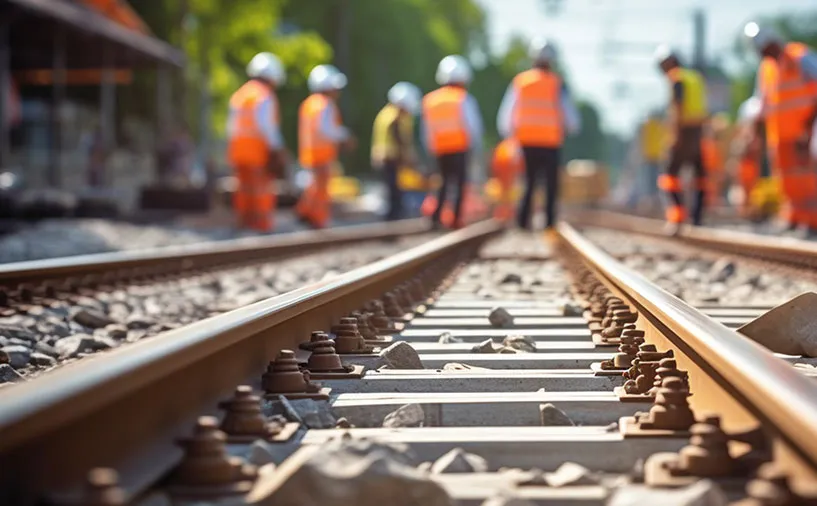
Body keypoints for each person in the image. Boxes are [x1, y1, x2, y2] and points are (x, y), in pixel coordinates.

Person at [497, 38, 581, 230]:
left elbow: (508, 112)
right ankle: (549, 222)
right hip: (550, 142)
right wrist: (572, 128)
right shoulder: (556, 83)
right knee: (551, 184)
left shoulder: (521, 82)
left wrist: (509, 135)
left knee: (529, 182)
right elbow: (569, 114)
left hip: (527, 141)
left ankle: (522, 221)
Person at [744, 22, 817, 233]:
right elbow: (762, 104)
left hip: (804, 131)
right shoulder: (766, 69)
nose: (764, 54)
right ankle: (794, 218)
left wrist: (808, 129)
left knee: (806, 176)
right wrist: (753, 135)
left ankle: (812, 221)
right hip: (779, 135)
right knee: (786, 178)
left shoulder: (799, 57)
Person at [226, 52, 288, 232]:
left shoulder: (241, 94)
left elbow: (231, 126)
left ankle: (243, 223)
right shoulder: (264, 95)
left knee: (243, 189)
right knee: (260, 189)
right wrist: (277, 149)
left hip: (238, 150)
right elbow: (267, 126)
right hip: (256, 151)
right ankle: (261, 225)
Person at [421, 55, 484, 229]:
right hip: (459, 148)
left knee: (442, 184)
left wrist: (431, 149)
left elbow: (426, 130)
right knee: (459, 184)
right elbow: (473, 127)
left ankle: (435, 218)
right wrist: (476, 149)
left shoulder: (430, 100)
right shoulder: (463, 98)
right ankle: (455, 219)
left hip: (440, 149)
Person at [654, 45, 709, 233]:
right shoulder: (695, 78)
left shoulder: (676, 79)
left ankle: (677, 217)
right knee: (700, 175)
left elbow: (678, 106)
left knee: (669, 175)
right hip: (698, 131)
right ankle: (697, 218)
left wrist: (675, 135)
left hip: (683, 131)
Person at [296, 64, 355, 229]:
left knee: (314, 187)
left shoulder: (308, 104)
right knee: (320, 189)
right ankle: (316, 219)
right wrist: (345, 136)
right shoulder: (324, 104)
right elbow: (326, 129)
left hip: (309, 153)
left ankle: (307, 214)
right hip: (322, 154)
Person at [371, 82, 422, 221]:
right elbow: (400, 140)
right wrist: (408, 157)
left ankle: (393, 219)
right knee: (394, 193)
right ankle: (392, 221)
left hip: (385, 158)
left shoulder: (386, 113)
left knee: (393, 192)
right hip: (390, 159)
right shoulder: (395, 117)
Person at [730, 97, 763, 218]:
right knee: (745, 188)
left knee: (750, 188)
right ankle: (745, 212)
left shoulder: (751, 137)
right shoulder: (746, 137)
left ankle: (748, 211)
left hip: (750, 163)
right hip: (747, 162)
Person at [490, 138, 523, 221]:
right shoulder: (510, 147)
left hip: (505, 175)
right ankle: (506, 214)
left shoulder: (503, 147)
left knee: (506, 194)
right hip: (507, 176)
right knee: (507, 194)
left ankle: (506, 214)